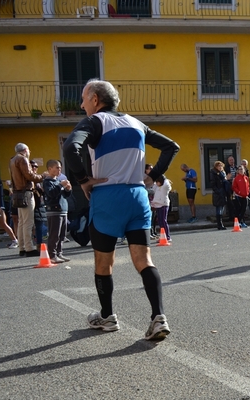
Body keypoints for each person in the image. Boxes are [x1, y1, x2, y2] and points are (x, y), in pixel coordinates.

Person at [63, 79, 179, 340]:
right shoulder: (137, 123)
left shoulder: (95, 122)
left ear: (95, 99)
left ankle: (107, 317)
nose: (82, 105)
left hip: (107, 196)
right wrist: (154, 176)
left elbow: (71, 147)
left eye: (84, 99)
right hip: (138, 196)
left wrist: (83, 180)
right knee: (144, 260)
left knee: (104, 262)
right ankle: (158, 318)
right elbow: (171, 146)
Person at [8, 144, 44, 257]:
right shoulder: (23, 159)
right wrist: (42, 176)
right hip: (26, 192)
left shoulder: (13, 160)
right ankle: (29, 248)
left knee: (22, 222)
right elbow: (29, 175)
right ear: (25, 150)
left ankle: (22, 247)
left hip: (18, 193)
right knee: (28, 222)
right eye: (28, 149)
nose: (29, 151)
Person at [42, 159, 73, 263]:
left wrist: (68, 189)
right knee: (54, 234)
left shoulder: (58, 181)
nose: (60, 169)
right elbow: (51, 193)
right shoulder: (47, 182)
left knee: (62, 235)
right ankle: (52, 255)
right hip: (54, 211)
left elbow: (65, 195)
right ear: (50, 169)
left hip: (63, 210)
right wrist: (61, 186)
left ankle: (59, 253)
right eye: (57, 167)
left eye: (60, 167)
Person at [0, 166, 19, 250]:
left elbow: (0, 194)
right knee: (2, 224)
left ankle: (15, 240)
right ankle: (14, 240)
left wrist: (0, 206)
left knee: (1, 224)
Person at [150, 174, 172, 241]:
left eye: (158, 181)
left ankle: (167, 236)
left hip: (164, 205)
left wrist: (164, 178)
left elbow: (166, 184)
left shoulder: (165, 186)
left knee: (163, 221)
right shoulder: (156, 186)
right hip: (158, 205)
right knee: (160, 221)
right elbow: (153, 188)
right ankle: (163, 236)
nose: (157, 183)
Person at [210, 161, 228, 230]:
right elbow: (213, 185)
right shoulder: (214, 173)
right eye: (218, 166)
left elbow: (225, 183)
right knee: (219, 210)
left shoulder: (223, 173)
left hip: (223, 193)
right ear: (216, 167)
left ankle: (221, 224)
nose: (220, 167)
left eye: (221, 166)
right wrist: (218, 191)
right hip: (218, 194)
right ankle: (219, 224)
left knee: (222, 209)